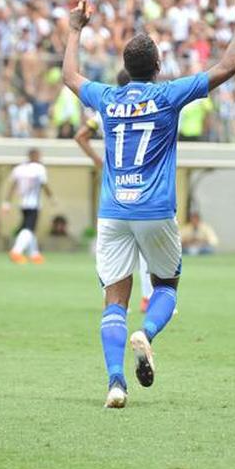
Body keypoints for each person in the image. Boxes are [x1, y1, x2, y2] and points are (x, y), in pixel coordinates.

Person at [63, 0, 235, 408]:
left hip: (114, 210)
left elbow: (70, 77)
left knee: (115, 298)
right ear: (159, 66)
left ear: (126, 69)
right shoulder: (168, 95)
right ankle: (145, 334)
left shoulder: (108, 98)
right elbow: (228, 65)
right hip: (155, 209)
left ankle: (116, 383)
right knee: (166, 284)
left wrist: (75, 28)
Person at [75, 69, 154, 313]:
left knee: (111, 243)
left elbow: (80, 136)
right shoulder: (150, 106)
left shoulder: (107, 108)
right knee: (143, 244)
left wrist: (100, 163)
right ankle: (147, 297)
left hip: (115, 183)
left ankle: (112, 299)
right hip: (142, 182)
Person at [1, 148, 54, 265]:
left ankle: (35, 254)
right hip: (34, 204)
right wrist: (52, 198)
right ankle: (16, 251)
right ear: (34, 156)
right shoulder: (39, 169)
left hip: (23, 204)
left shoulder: (19, 169)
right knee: (28, 229)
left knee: (30, 228)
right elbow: (44, 185)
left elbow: (12, 186)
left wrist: (6, 203)